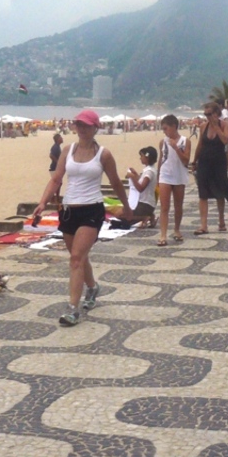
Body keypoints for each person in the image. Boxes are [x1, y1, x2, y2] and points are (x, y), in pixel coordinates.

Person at [32, 109, 133, 327]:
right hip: (69, 211)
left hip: (92, 210)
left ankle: (72, 309)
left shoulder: (103, 154)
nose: (82, 129)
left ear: (96, 127)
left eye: (87, 125)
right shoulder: (67, 150)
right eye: (79, 125)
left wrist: (126, 207)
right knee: (80, 256)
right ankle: (93, 287)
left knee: (76, 258)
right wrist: (42, 202)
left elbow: (115, 182)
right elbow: (56, 179)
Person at [190, 101, 228, 234]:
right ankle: (204, 225)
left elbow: (225, 141)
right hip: (204, 161)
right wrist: (194, 161)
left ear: (216, 113)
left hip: (218, 162)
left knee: (220, 192)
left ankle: (221, 220)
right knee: (202, 193)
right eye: (205, 114)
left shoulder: (225, 125)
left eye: (209, 114)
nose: (207, 116)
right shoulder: (203, 126)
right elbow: (200, 144)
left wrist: (216, 126)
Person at [157, 113, 190, 246]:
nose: (164, 131)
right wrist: (158, 174)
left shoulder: (185, 141)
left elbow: (186, 160)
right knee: (164, 206)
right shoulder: (163, 141)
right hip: (165, 175)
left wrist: (176, 148)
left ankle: (176, 229)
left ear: (174, 126)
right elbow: (162, 158)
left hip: (179, 175)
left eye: (166, 128)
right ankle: (163, 234)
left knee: (178, 205)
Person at [125, 146, 159, 229]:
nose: (140, 158)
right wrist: (135, 175)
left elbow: (141, 188)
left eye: (142, 156)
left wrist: (132, 177)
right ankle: (149, 216)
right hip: (146, 203)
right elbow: (141, 181)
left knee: (121, 216)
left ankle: (145, 217)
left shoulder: (149, 172)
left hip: (145, 204)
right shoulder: (150, 170)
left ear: (147, 157)